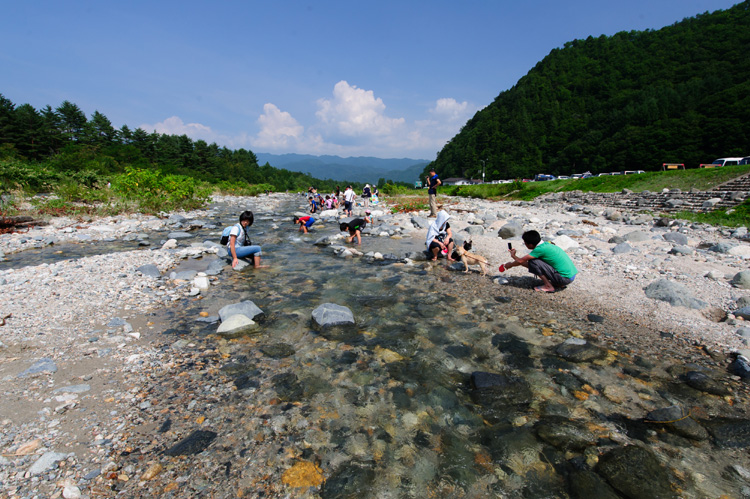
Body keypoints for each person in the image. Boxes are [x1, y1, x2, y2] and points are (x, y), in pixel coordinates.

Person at [500, 230, 577, 292]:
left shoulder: (540, 249)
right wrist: (510, 264)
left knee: (533, 262)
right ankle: (558, 283)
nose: (525, 244)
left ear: (530, 244)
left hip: (564, 279)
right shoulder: (547, 244)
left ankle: (548, 286)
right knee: (535, 262)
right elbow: (523, 262)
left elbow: (520, 261)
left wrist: (512, 257)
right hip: (570, 276)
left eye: (525, 243)